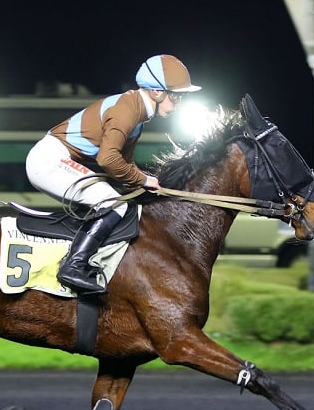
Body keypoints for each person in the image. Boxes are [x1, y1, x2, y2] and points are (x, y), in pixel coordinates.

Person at [25, 54, 201, 295]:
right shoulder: (126, 111)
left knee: (118, 201)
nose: (178, 103)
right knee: (112, 204)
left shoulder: (137, 114)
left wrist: (147, 187)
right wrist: (143, 180)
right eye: (176, 96)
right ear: (157, 92)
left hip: (58, 159)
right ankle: (72, 267)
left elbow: (125, 165)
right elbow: (107, 159)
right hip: (48, 161)